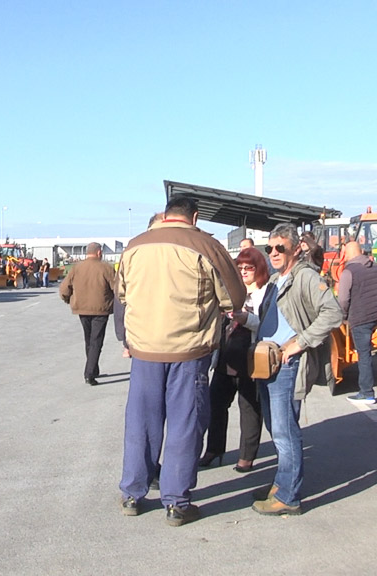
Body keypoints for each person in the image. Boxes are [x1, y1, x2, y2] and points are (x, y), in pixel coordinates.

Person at [117, 197, 245, 527]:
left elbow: (123, 294)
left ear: (165, 215)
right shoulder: (205, 245)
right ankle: (176, 502)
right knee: (184, 424)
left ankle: (132, 493)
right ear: (195, 216)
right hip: (189, 350)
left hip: (145, 351)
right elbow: (235, 297)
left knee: (141, 423)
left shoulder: (134, 246)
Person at [252, 223, 342, 516]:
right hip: (266, 364)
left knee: (285, 432)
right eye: (270, 248)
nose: (274, 253)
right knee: (275, 429)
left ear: (295, 249)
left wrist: (299, 343)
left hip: (286, 367)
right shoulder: (276, 279)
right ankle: (281, 483)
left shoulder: (305, 277)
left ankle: (288, 496)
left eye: (280, 248)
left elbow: (333, 312)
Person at [200, 247, 270, 473]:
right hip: (226, 358)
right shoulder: (231, 291)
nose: (244, 272)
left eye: (249, 267)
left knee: (250, 409)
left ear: (259, 268)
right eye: (239, 268)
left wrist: (246, 318)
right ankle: (214, 449)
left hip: (251, 359)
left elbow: (269, 325)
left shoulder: (266, 293)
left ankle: (246, 456)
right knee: (215, 405)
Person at [337, 241, 377, 405]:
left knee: (364, 355)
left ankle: (367, 393)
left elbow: (343, 300)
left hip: (362, 317)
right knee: (368, 349)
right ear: (361, 251)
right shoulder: (375, 267)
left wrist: (343, 317)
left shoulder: (348, 272)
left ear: (347, 255)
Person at [59, 242, 115, 386]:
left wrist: (68, 300)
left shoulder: (76, 268)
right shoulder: (106, 268)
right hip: (101, 309)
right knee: (96, 341)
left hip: (82, 309)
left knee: (89, 339)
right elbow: (117, 288)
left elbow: (64, 289)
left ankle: (93, 369)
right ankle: (89, 373)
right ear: (99, 252)